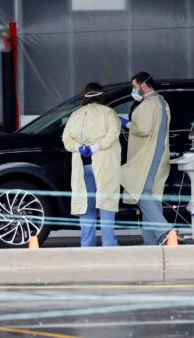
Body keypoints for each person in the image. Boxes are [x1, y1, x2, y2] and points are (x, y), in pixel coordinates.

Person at [62, 82, 121, 247]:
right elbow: (114, 133)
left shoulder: (75, 115)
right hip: (105, 165)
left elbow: (66, 140)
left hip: (83, 166)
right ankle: (109, 244)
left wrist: (79, 148)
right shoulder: (108, 112)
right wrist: (96, 147)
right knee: (106, 203)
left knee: (86, 206)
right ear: (101, 96)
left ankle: (87, 244)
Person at [120, 72, 176, 245]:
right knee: (152, 197)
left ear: (143, 86)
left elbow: (142, 128)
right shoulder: (163, 103)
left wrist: (125, 123)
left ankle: (164, 231)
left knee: (142, 193)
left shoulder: (148, 105)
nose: (134, 90)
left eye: (135, 87)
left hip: (148, 157)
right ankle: (151, 242)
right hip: (160, 156)